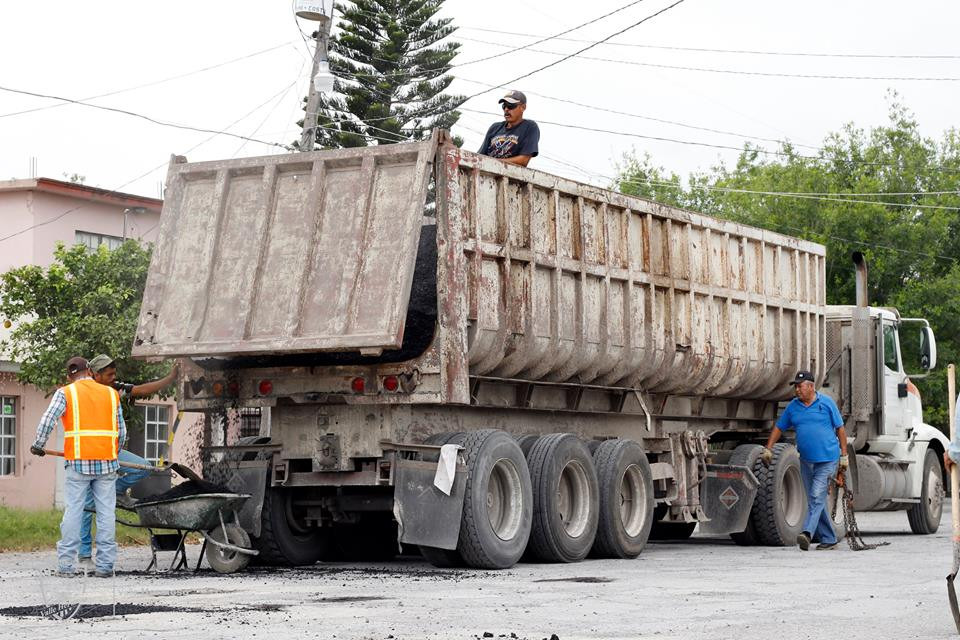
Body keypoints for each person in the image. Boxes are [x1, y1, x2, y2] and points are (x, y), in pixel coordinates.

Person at [75, 354, 180, 564]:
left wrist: (170, 378)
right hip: (88, 451)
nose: (114, 377)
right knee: (86, 506)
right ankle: (84, 553)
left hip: (111, 449)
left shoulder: (114, 389)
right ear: (94, 375)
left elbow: (142, 389)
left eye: (115, 374)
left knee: (143, 467)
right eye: (109, 374)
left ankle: (114, 489)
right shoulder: (82, 393)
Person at [30, 357, 126, 577]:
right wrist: (113, 451)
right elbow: (122, 433)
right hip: (107, 463)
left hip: (78, 463)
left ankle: (66, 566)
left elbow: (48, 420)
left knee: (73, 511)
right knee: (106, 514)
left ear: (68, 376)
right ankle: (105, 567)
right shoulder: (111, 394)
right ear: (90, 371)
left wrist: (38, 444)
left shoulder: (66, 392)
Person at [762, 370, 848, 551]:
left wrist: (844, 457)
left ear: (810, 386)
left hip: (828, 460)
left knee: (817, 496)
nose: (797, 390)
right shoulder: (793, 407)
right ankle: (829, 538)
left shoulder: (826, 403)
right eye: (795, 387)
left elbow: (840, 429)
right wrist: (768, 448)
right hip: (807, 461)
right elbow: (779, 427)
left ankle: (807, 533)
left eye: (800, 386)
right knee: (815, 500)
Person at [477, 90, 540, 167]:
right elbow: (480, 155)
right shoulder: (495, 127)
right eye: (504, 106)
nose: (506, 109)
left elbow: (523, 160)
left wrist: (493, 163)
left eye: (511, 106)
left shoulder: (529, 127)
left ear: (523, 107)